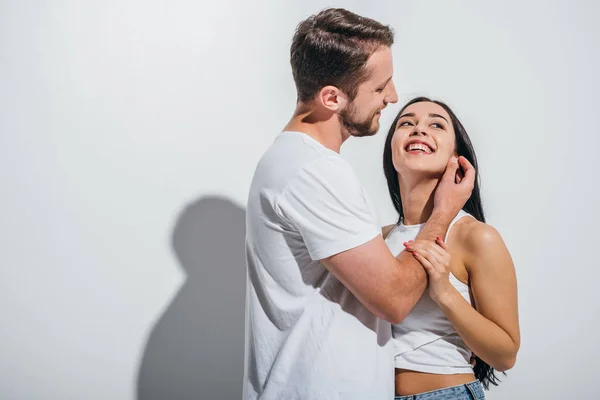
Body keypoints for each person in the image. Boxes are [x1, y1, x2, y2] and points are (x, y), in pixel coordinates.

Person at [243, 8, 475, 399]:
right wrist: (442, 215)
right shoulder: (313, 170)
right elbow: (396, 299)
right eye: (380, 86)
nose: (393, 96)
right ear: (332, 97)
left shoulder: (298, 162)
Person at [381, 97, 520, 400]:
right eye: (406, 123)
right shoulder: (377, 239)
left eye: (436, 124)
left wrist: (444, 293)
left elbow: (505, 354)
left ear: (457, 157)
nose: (419, 129)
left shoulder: (475, 236)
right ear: (391, 148)